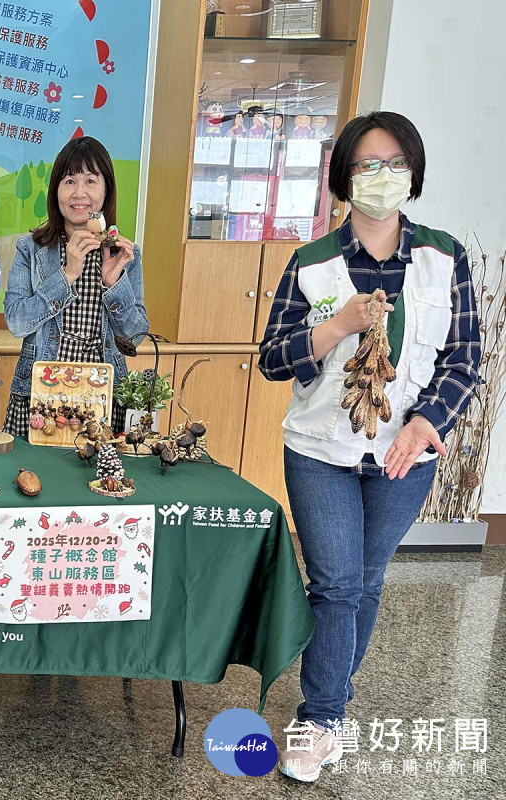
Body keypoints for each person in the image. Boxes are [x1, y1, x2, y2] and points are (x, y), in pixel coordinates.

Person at [258, 111, 480, 783]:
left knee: (365, 581)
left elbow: (464, 359)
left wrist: (425, 423)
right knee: (335, 583)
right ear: (344, 177)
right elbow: (273, 359)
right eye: (367, 165)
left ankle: (330, 700)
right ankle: (323, 718)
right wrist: (335, 327)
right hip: (319, 450)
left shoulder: (444, 257)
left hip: (404, 453)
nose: (382, 176)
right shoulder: (312, 262)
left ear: (413, 172)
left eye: (395, 164)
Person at [2, 135, 148, 437]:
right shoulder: (31, 249)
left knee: (100, 467)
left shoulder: (124, 254)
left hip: (103, 397)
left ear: (106, 190)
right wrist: (67, 274)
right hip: (40, 395)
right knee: (32, 467)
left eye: (91, 181)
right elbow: (16, 322)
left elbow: (136, 337)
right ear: (56, 190)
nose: (79, 193)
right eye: (69, 181)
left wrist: (114, 283)